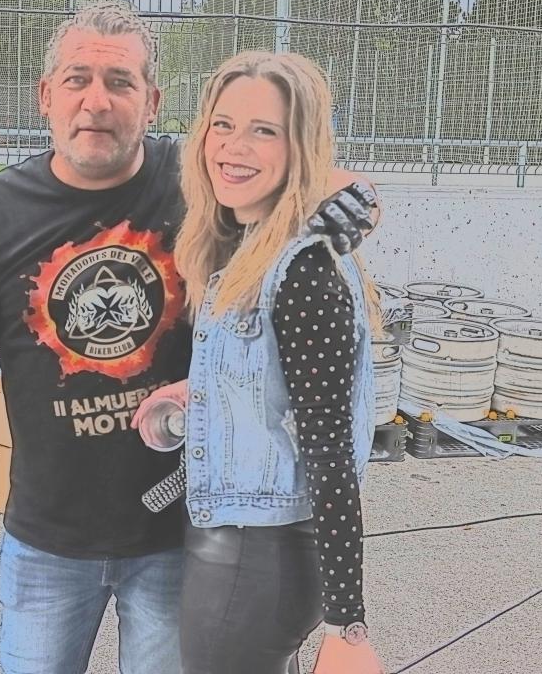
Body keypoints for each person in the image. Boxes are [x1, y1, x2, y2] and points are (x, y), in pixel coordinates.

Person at [0, 5, 379, 673]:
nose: (96, 102)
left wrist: (355, 196)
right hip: (45, 540)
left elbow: (292, 170)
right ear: (46, 96)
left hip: (179, 538)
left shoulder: (199, 183)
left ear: (152, 101)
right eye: (77, 79)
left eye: (120, 82)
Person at [133, 51, 385, 674]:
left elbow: (328, 449)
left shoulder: (301, 269)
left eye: (264, 130)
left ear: (300, 148)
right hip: (250, 551)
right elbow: (276, 386)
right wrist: (202, 391)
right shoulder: (251, 245)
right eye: (223, 125)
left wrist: (347, 626)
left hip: (253, 559)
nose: (234, 146)